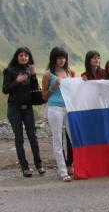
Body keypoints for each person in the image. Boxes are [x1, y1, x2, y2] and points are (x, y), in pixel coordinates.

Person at [2, 47, 45, 177]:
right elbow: (5, 89)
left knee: (33, 137)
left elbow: (34, 88)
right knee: (19, 138)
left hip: (28, 108)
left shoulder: (28, 70)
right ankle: (24, 167)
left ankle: (39, 165)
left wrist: (33, 75)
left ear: (29, 58)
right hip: (14, 109)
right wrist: (17, 81)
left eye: (26, 55)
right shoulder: (9, 71)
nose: (24, 57)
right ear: (17, 57)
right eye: (21, 55)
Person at [42, 47, 76, 182]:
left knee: (73, 138)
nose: (62, 60)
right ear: (54, 58)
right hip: (55, 109)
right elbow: (44, 96)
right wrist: (53, 87)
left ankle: (75, 166)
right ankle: (62, 171)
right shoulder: (48, 75)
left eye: (64, 58)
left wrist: (82, 81)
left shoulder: (70, 72)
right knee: (57, 140)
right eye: (59, 57)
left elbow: (75, 89)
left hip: (69, 108)